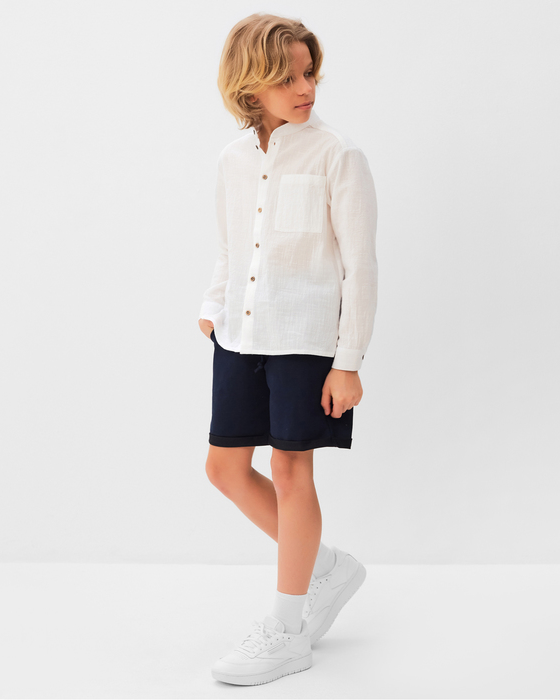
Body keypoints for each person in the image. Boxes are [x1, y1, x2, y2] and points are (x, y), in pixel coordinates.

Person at [197, 12, 378, 686]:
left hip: (305, 338)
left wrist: (348, 361)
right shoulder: (232, 159)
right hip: (240, 333)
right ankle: (326, 567)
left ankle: (287, 628)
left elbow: (360, 266)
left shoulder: (337, 154)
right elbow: (231, 244)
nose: (305, 88)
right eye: (287, 77)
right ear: (250, 84)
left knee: (292, 470)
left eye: (309, 73)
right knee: (224, 469)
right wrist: (212, 307)